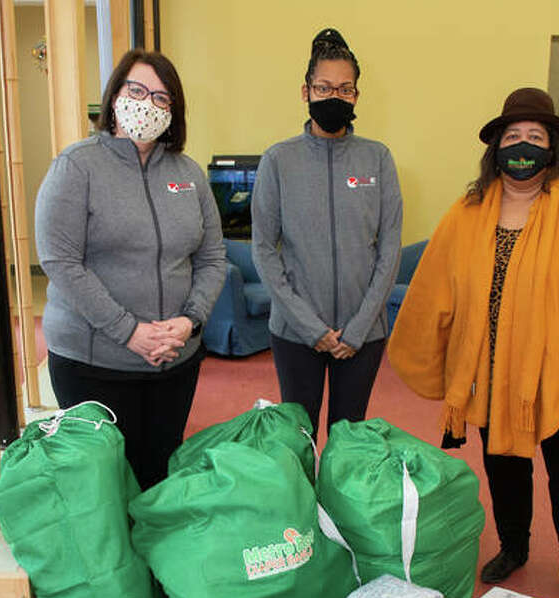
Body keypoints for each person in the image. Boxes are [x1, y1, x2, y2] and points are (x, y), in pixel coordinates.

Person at [388, 88, 559, 598]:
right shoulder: (468, 212)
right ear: (495, 149)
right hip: (493, 369)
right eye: (513, 137)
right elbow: (436, 287)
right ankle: (513, 546)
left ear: (553, 149)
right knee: (505, 465)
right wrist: (446, 360)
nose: (524, 146)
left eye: (535, 137)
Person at [35, 49, 226, 490]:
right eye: (136, 90)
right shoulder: (76, 166)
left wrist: (189, 321)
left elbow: (212, 256)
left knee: (159, 471)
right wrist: (129, 332)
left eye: (162, 98)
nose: (147, 104)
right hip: (93, 362)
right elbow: (60, 260)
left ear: (173, 111)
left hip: (174, 360)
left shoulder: (190, 174)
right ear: (114, 96)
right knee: (102, 486)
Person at [252, 28, 402, 437]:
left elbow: (389, 248)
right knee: (297, 438)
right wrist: (311, 328)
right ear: (306, 91)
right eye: (324, 87)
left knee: (348, 441)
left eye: (345, 89)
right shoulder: (278, 161)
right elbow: (264, 250)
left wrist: (357, 329)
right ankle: (302, 504)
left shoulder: (378, 158)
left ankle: (337, 505)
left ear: (356, 95)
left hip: (363, 334)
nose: (334, 97)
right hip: (296, 333)